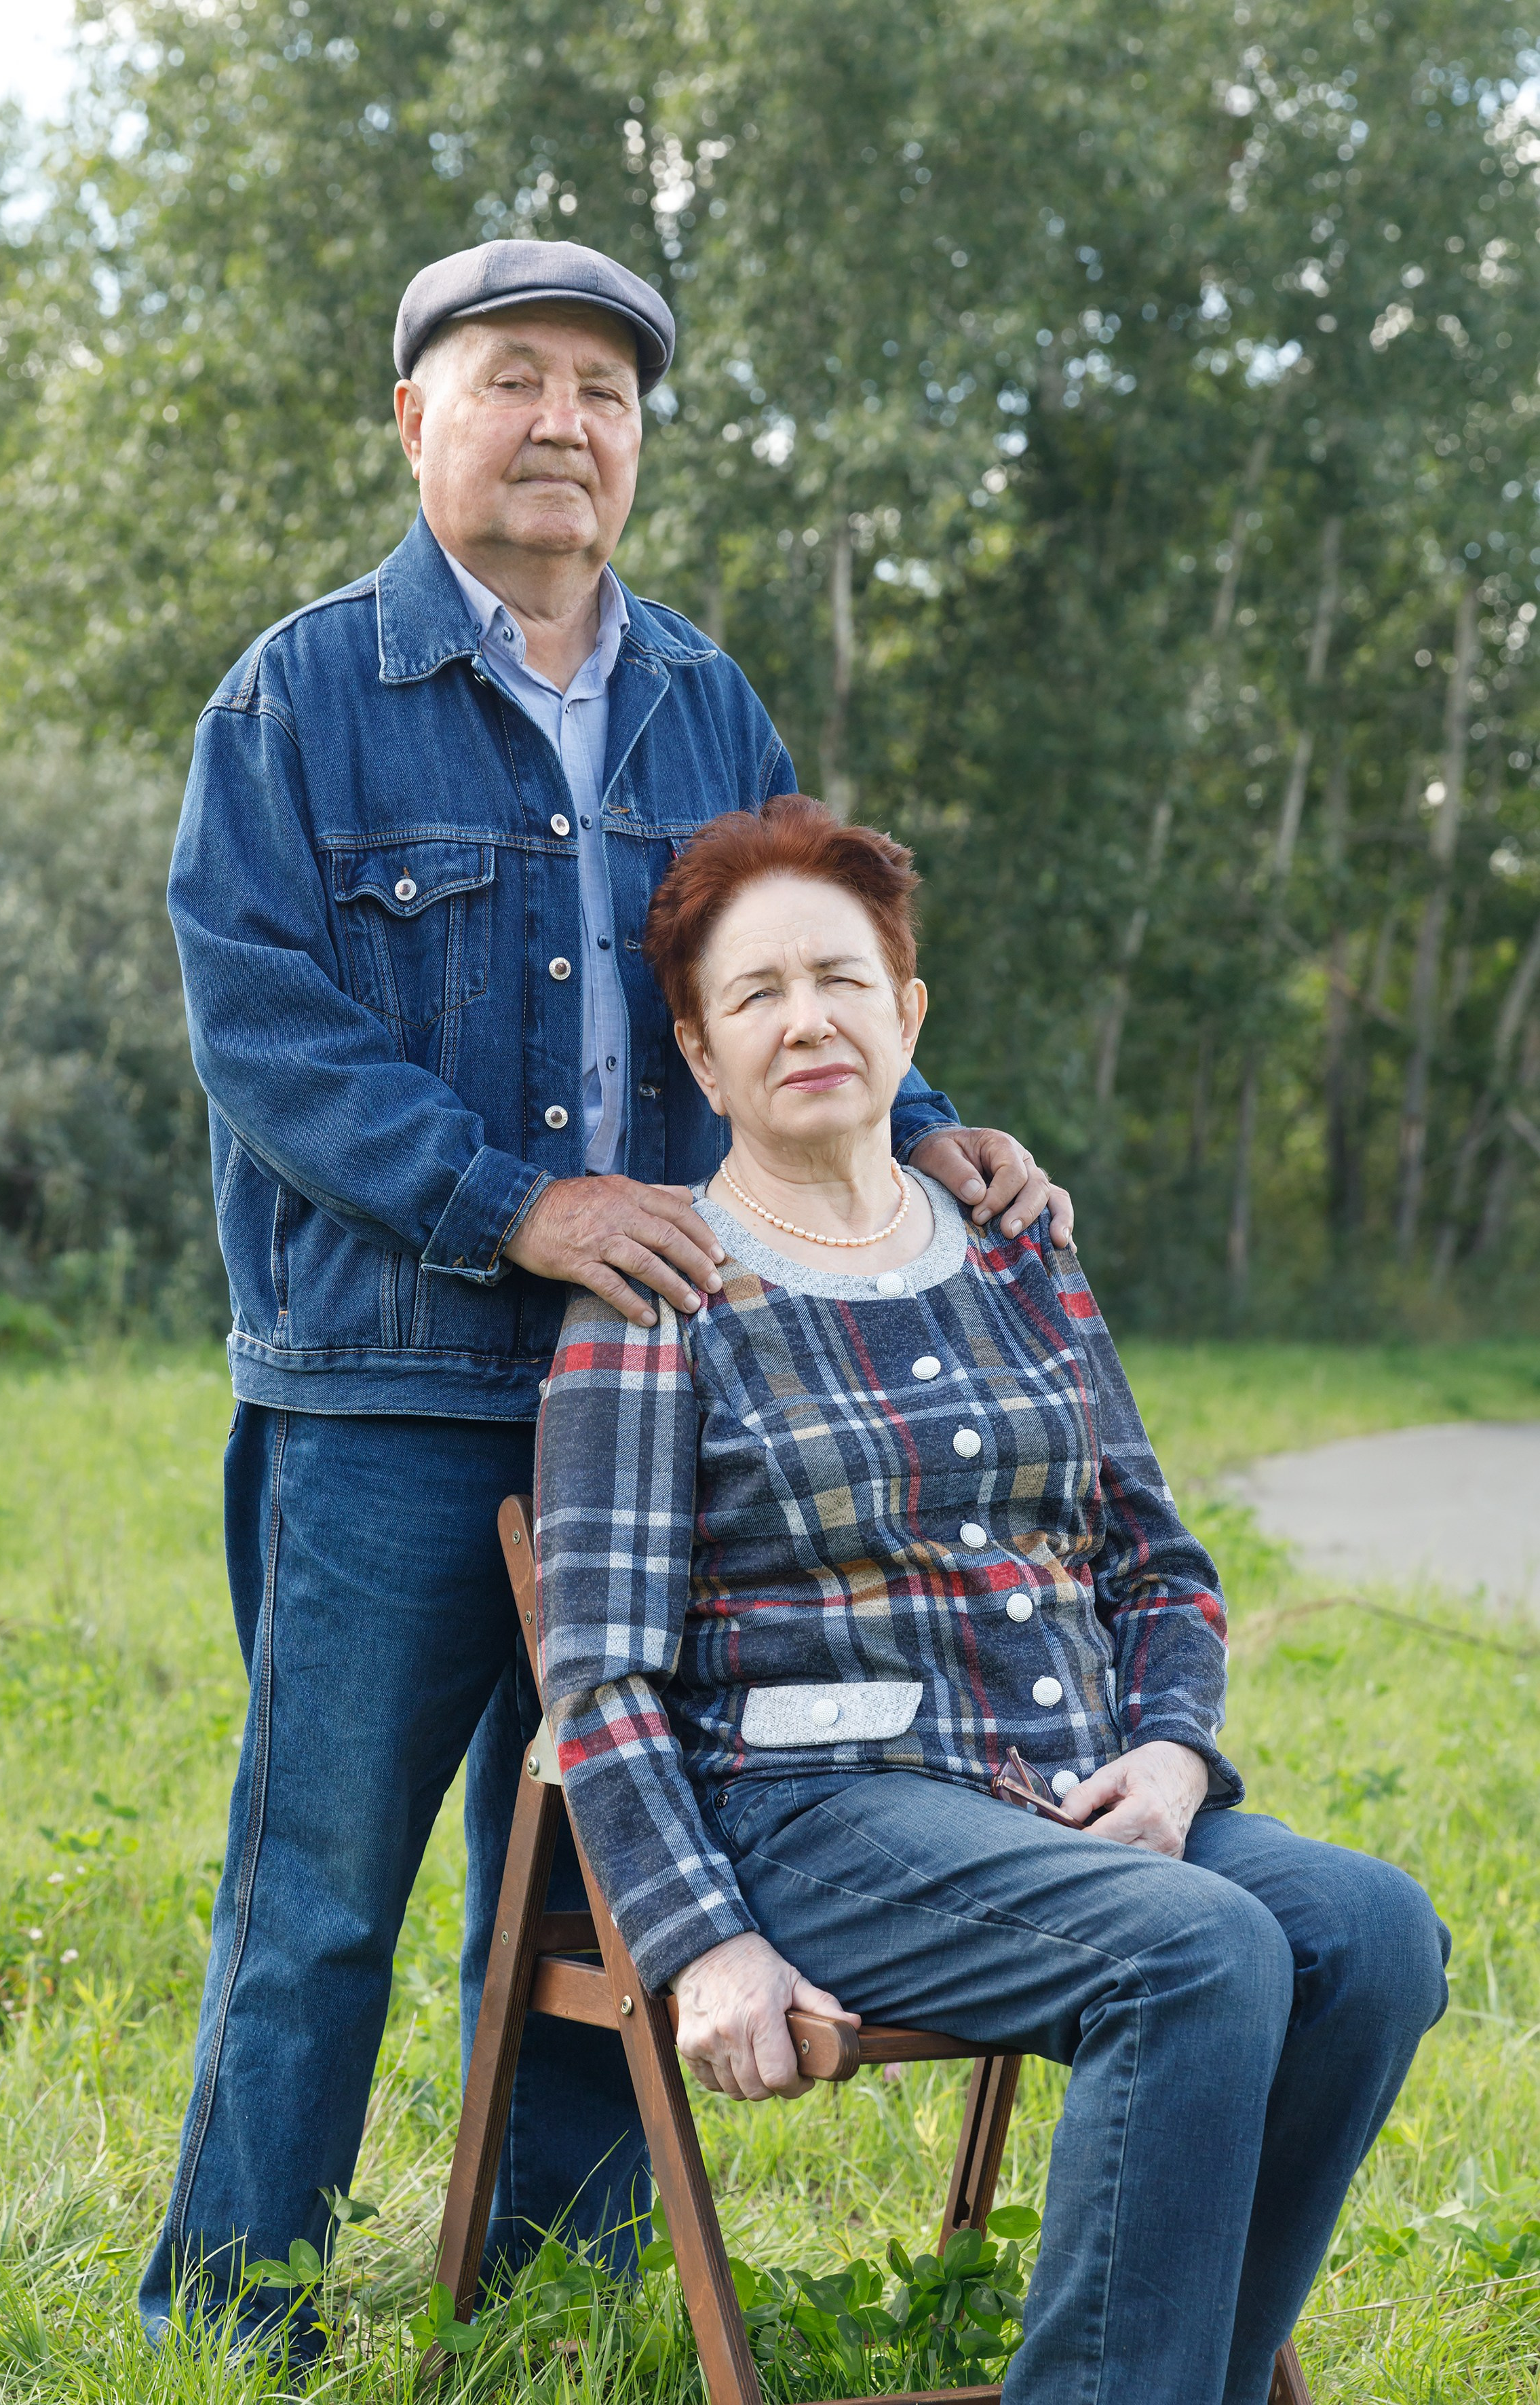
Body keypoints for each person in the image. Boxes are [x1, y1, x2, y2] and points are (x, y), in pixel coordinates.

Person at [144, 237, 1073, 2359]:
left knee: (580, 1873)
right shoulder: (292, 700)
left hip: (649, 1406)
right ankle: (229, 2317)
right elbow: (265, 1037)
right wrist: (514, 1204)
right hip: (380, 1399)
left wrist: (918, 1121)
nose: (564, 421)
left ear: (639, 444)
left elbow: (781, 967)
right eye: (514, 379)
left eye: (606, 393)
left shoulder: (702, 698)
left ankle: (554, 2298)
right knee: (317, 1898)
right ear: (415, 419)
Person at [535, 795, 1450, 2405]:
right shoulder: (664, 1290)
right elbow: (597, 1674)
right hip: (814, 1814)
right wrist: (700, 1947)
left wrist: (1170, 1760)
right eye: (754, 995)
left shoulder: (1016, 1245)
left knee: (1370, 1929)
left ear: (909, 1011)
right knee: (1191, 1954)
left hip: (1067, 1792)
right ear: (696, 1052)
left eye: (841, 977)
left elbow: (1156, 1561)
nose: (806, 1018)